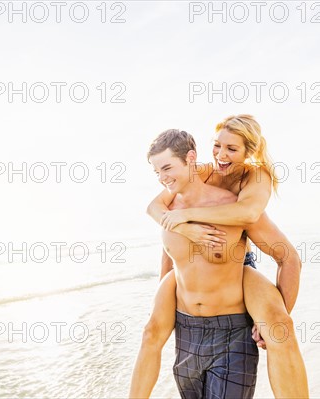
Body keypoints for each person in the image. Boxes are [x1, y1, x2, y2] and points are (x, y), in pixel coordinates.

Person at [129, 116, 308, 398]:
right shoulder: (197, 172)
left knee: (280, 326)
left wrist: (187, 218)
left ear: (249, 152)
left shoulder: (255, 177)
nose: (221, 155)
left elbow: (250, 215)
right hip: (192, 270)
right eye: (217, 146)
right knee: (151, 331)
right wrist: (187, 230)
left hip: (236, 258)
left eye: (232, 149)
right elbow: (156, 212)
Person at [143, 129, 259, 397]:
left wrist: (266, 321)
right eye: (157, 172)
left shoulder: (236, 196)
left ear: (191, 158)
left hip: (232, 329)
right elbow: (169, 255)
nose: (162, 178)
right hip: (188, 330)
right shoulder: (170, 205)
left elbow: (285, 254)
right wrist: (186, 228)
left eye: (167, 168)